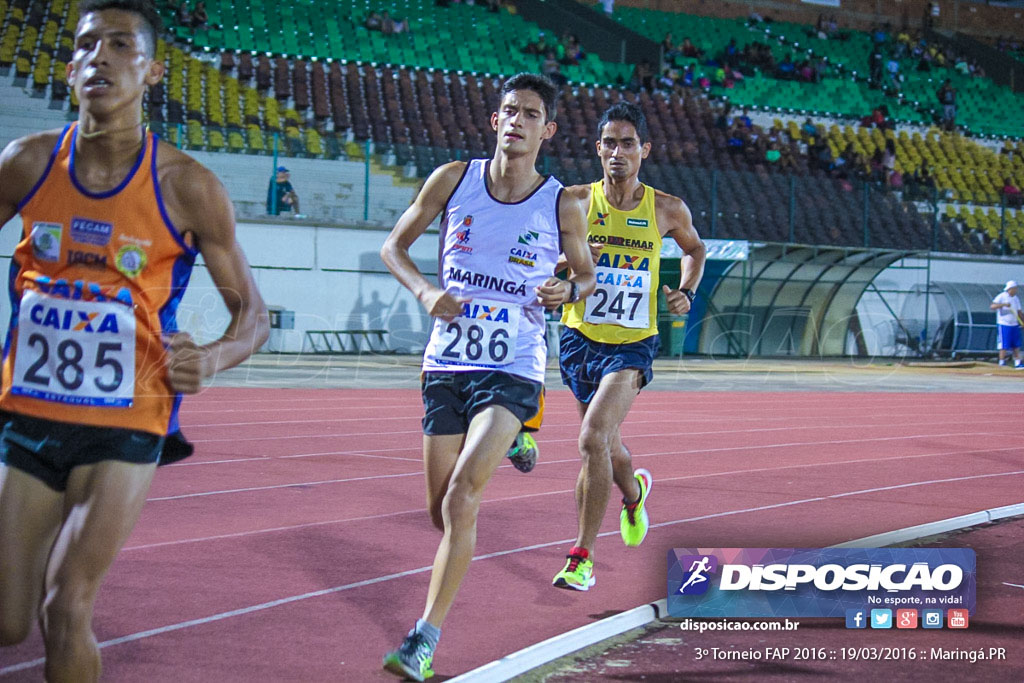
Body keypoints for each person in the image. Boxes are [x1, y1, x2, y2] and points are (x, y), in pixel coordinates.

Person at [0, 1, 269, 680]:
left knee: (65, 610)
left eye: (121, 45)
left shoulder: (187, 187)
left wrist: (211, 356)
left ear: (150, 72)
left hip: (127, 423)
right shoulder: (27, 162)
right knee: (7, 620)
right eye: (87, 45)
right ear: (68, 71)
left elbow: (253, 316)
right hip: (29, 414)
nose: (101, 57)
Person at [378, 73, 595, 681]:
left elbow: (587, 277)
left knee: (462, 494)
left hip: (513, 365)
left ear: (546, 129)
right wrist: (424, 291)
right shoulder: (453, 180)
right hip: (446, 363)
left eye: (530, 113)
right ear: (494, 120)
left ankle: (424, 638)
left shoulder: (561, 202)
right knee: (439, 513)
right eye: (509, 111)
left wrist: (565, 289)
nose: (517, 121)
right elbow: (394, 247)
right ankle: (518, 440)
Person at [548, 102, 706, 591]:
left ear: (644, 150)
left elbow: (695, 249)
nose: (618, 152)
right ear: (598, 149)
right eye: (610, 143)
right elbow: (545, 269)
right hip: (578, 339)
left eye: (628, 143)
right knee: (608, 448)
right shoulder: (573, 201)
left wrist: (688, 291)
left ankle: (581, 558)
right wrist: (569, 260)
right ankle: (634, 493)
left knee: (592, 438)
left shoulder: (666, 208)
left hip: (633, 345)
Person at [991, 280, 1023, 368]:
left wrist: (1022, 321)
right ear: (1010, 289)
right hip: (1004, 324)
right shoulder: (1001, 296)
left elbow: (1019, 311)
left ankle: (1017, 362)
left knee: (1016, 344)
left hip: (1014, 324)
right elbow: (992, 306)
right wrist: (1003, 305)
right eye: (1014, 288)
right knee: (1004, 344)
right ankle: (1002, 361)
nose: (1016, 290)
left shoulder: (1016, 298)